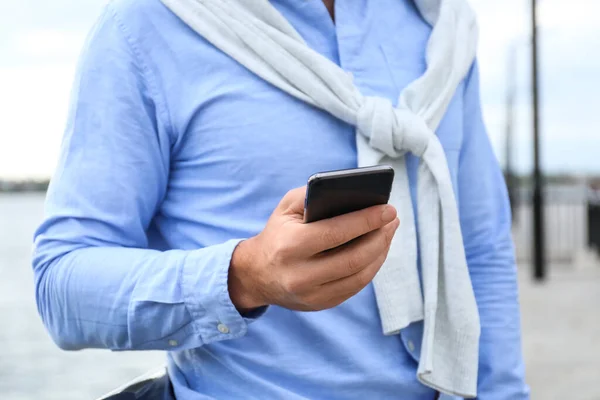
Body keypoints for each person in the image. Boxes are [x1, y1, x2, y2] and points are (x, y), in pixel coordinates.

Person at [32, 0, 529, 399]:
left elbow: (481, 249)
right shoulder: (146, 25)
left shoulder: (442, 29)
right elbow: (62, 285)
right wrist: (244, 276)